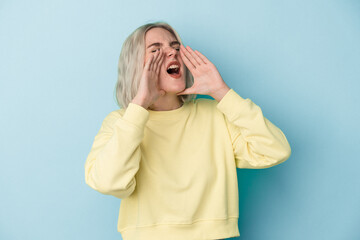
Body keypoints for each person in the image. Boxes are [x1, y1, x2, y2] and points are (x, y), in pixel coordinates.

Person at [84, 21, 292, 240]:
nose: (172, 53)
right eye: (155, 50)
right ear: (136, 66)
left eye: (175, 47)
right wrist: (138, 107)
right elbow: (108, 183)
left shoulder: (216, 114)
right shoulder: (121, 121)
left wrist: (222, 92)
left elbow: (276, 150)